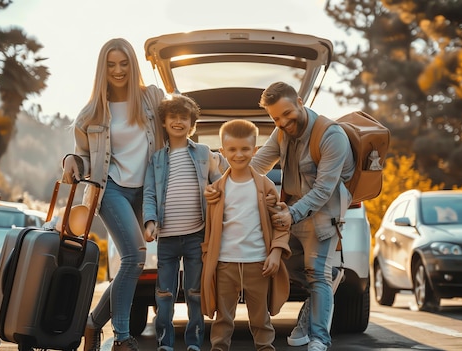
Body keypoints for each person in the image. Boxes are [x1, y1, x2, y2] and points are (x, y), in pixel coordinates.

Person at [205, 82, 354, 351]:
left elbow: (323, 189)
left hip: (322, 213)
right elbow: (259, 164)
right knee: (287, 267)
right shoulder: (281, 132)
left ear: (299, 101)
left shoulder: (332, 136)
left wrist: (292, 214)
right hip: (291, 209)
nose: (283, 122)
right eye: (276, 118)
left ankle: (319, 337)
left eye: (287, 114)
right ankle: (321, 295)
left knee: (316, 273)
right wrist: (222, 179)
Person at [61, 38, 165, 351]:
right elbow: (84, 157)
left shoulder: (152, 98)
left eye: (124, 63)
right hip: (112, 190)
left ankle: (93, 323)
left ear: (132, 66)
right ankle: (121, 337)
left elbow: (178, 126)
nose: (118, 70)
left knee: (134, 263)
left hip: (148, 191)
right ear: (102, 69)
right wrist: (72, 160)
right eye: (111, 64)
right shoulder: (92, 113)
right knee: (134, 257)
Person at [142, 95, 225, 351]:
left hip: (196, 235)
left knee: (194, 293)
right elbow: (149, 193)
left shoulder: (202, 153)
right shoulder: (156, 159)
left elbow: (219, 181)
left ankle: (194, 343)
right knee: (164, 294)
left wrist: (219, 185)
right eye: (173, 117)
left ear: (192, 124)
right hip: (166, 237)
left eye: (184, 118)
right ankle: (165, 343)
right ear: (164, 123)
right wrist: (149, 221)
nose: (178, 122)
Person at [201, 119, 291, 351]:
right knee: (223, 319)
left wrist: (276, 253)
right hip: (225, 263)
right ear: (222, 151)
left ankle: (265, 348)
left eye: (244, 149)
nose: (238, 154)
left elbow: (281, 222)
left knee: (261, 319)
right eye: (232, 149)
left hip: (258, 263)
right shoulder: (217, 189)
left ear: (255, 150)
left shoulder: (265, 186)